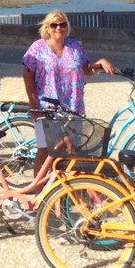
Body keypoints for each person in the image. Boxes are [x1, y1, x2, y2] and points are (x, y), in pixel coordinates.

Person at [22, 9, 116, 175]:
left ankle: (62, 191)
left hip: (72, 107)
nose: (59, 28)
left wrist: (101, 62)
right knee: (45, 150)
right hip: (46, 108)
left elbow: (86, 70)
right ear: (48, 28)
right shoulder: (37, 48)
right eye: (54, 25)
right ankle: (38, 191)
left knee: (71, 150)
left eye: (62, 24)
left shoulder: (75, 47)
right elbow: (27, 75)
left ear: (67, 27)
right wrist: (33, 103)